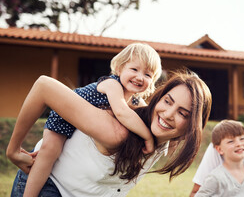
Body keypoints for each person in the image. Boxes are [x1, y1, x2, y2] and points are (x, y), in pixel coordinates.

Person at [8, 70, 212, 196]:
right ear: (159, 98)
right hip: (47, 187)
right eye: (167, 101)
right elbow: (44, 86)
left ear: (191, 127)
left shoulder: (165, 140)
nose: (168, 114)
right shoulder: (118, 132)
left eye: (182, 113)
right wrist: (13, 150)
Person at [8, 42, 162, 197]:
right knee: (49, 153)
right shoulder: (112, 84)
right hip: (63, 117)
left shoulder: (135, 100)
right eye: (134, 69)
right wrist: (147, 137)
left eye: (147, 75)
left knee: (51, 154)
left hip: (79, 132)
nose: (140, 77)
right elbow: (122, 112)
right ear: (120, 68)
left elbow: (148, 114)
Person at [195, 120, 244, 197]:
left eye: (242, 139)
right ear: (219, 149)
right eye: (231, 141)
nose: (239, 144)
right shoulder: (215, 178)